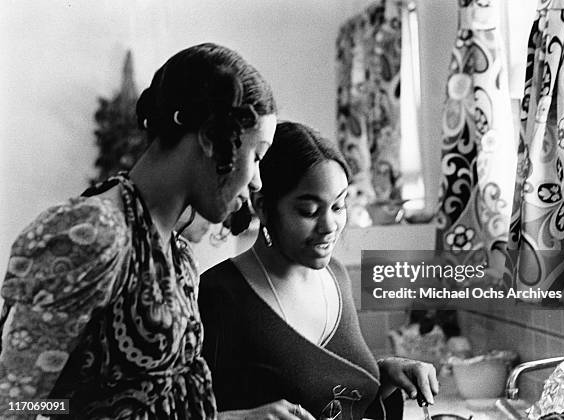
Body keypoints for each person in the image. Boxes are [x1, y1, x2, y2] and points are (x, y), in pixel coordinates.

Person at [0, 43, 277, 419]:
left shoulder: (173, 251)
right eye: (257, 156)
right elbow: (12, 404)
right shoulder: (94, 232)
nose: (258, 181)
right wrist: (80, 413)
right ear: (210, 137)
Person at [199, 122, 438, 420]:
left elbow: (336, 401)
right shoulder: (220, 294)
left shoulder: (336, 278)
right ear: (262, 206)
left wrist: (385, 376)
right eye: (309, 211)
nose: (329, 227)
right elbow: (180, 410)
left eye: (338, 207)